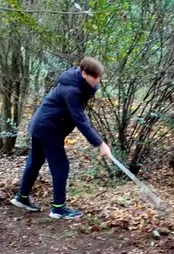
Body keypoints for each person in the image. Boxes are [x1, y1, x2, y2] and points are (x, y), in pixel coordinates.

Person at [10, 56, 111, 220]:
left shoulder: (76, 82)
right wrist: (100, 143)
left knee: (35, 161)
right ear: (84, 73)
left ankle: (21, 198)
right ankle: (58, 208)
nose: (98, 81)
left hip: (40, 125)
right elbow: (80, 120)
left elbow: (80, 113)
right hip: (47, 129)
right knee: (61, 166)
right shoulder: (72, 90)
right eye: (95, 77)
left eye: (100, 77)